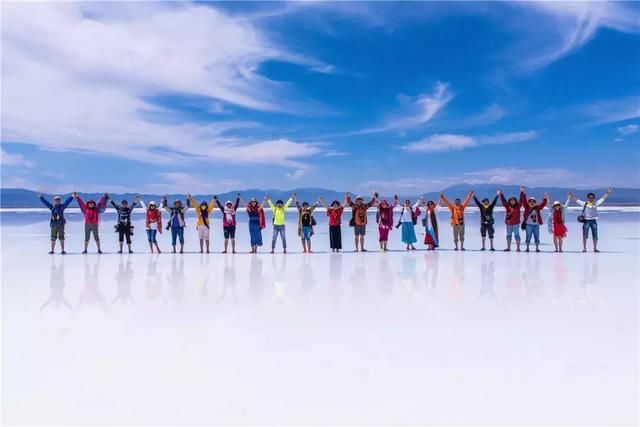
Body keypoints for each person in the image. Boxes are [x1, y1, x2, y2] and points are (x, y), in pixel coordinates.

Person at [573, 187, 613, 253]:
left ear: (594, 198)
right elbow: (577, 200)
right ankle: (584, 248)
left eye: (592, 197)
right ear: (588, 198)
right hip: (586, 221)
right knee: (585, 235)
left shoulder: (596, 203)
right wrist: (572, 196)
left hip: (593, 221)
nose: (591, 198)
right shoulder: (585, 203)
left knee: (595, 235)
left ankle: (595, 248)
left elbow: (602, 199)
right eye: (590, 197)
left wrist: (608, 193)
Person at [499, 187, 526, 252]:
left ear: (515, 201)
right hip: (508, 224)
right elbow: (504, 201)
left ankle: (518, 248)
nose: (512, 201)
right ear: (509, 201)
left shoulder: (518, 206)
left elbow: (521, 200)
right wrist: (501, 195)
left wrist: (522, 192)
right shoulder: (507, 206)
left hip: (516, 224)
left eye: (513, 200)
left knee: (517, 236)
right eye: (511, 200)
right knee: (508, 236)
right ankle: (508, 248)